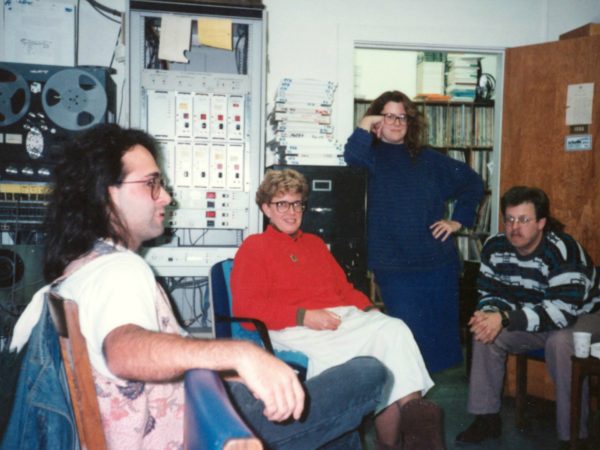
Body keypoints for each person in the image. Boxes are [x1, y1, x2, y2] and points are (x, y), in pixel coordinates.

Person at [3, 124, 389, 450]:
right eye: (152, 184)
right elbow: (122, 350)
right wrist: (242, 355)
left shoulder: (72, 273)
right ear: (107, 192)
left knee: (337, 423)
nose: (167, 197)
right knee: (368, 372)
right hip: (203, 428)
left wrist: (228, 371)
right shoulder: (119, 270)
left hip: (200, 402)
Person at [231, 168, 446, 450]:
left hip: (338, 318)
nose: (291, 211)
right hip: (293, 327)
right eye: (281, 204)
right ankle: (391, 441)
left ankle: (415, 430)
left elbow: (343, 290)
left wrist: (370, 311)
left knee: (395, 330)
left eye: (296, 203)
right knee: (376, 361)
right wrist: (304, 316)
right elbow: (248, 308)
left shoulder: (315, 244)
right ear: (266, 208)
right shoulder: (254, 247)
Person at [344, 90, 484, 373]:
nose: (396, 122)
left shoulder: (429, 160)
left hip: (437, 264)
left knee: (437, 348)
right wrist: (365, 124)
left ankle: (421, 409)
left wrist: (458, 220)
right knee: (407, 341)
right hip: (394, 266)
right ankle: (409, 406)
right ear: (376, 121)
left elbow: (473, 183)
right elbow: (351, 157)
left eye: (402, 117)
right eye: (388, 116)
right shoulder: (369, 159)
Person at [456, 186, 600, 449]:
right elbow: (490, 292)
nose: (514, 227)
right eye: (510, 219)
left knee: (561, 342)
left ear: (541, 223)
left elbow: (562, 312)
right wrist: (491, 315)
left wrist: (506, 317)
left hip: (587, 314)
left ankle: (574, 436)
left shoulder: (563, 250)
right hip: (534, 316)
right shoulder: (495, 247)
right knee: (486, 329)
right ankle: (487, 417)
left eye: (524, 220)